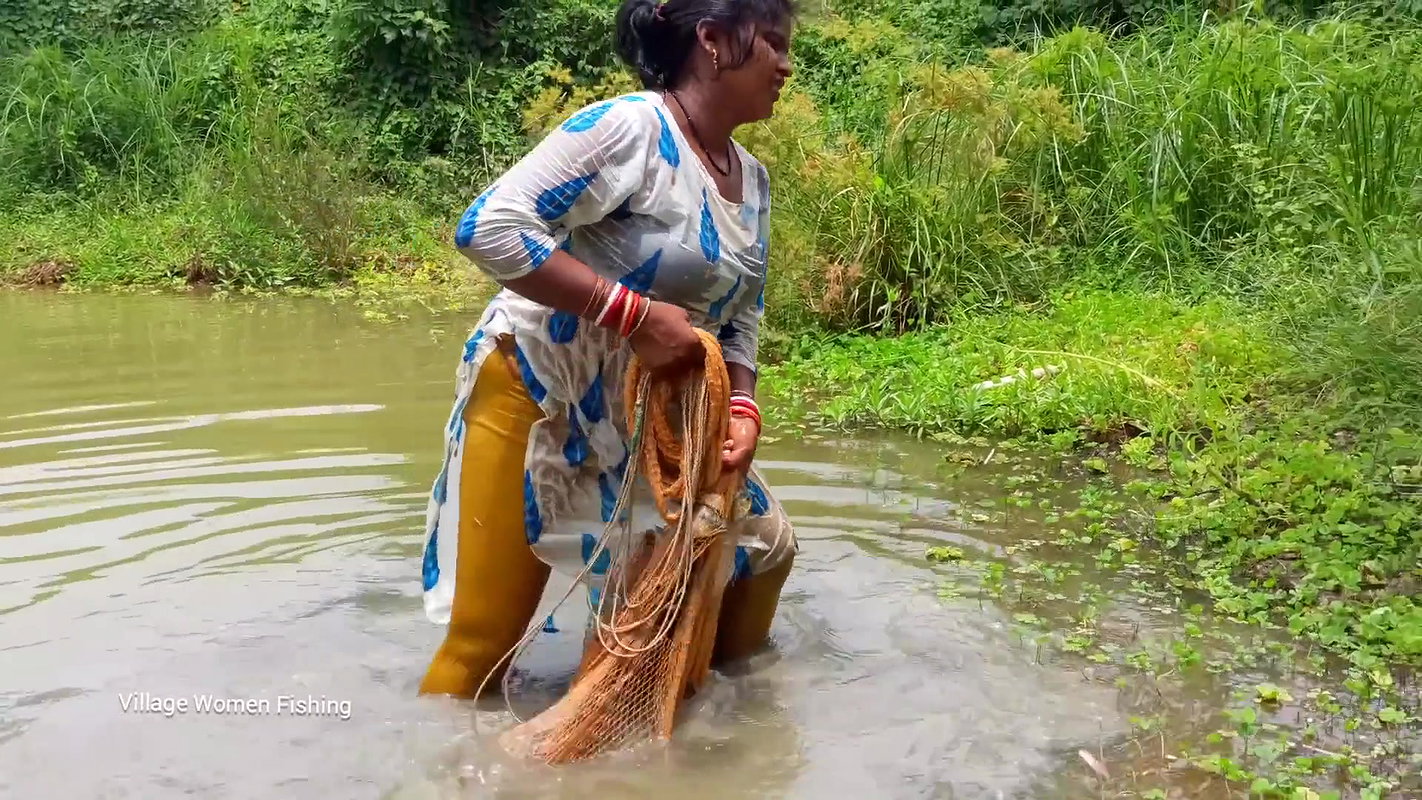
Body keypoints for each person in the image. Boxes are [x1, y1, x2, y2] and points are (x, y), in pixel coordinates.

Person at [417, 0, 800, 698]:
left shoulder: (753, 179)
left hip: (649, 415)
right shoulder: (630, 129)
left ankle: (723, 721)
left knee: (757, 553)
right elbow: (489, 227)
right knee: (486, 639)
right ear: (712, 41)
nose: (785, 62)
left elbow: (745, 311)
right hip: (539, 392)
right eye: (771, 41)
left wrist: (743, 406)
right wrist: (630, 315)